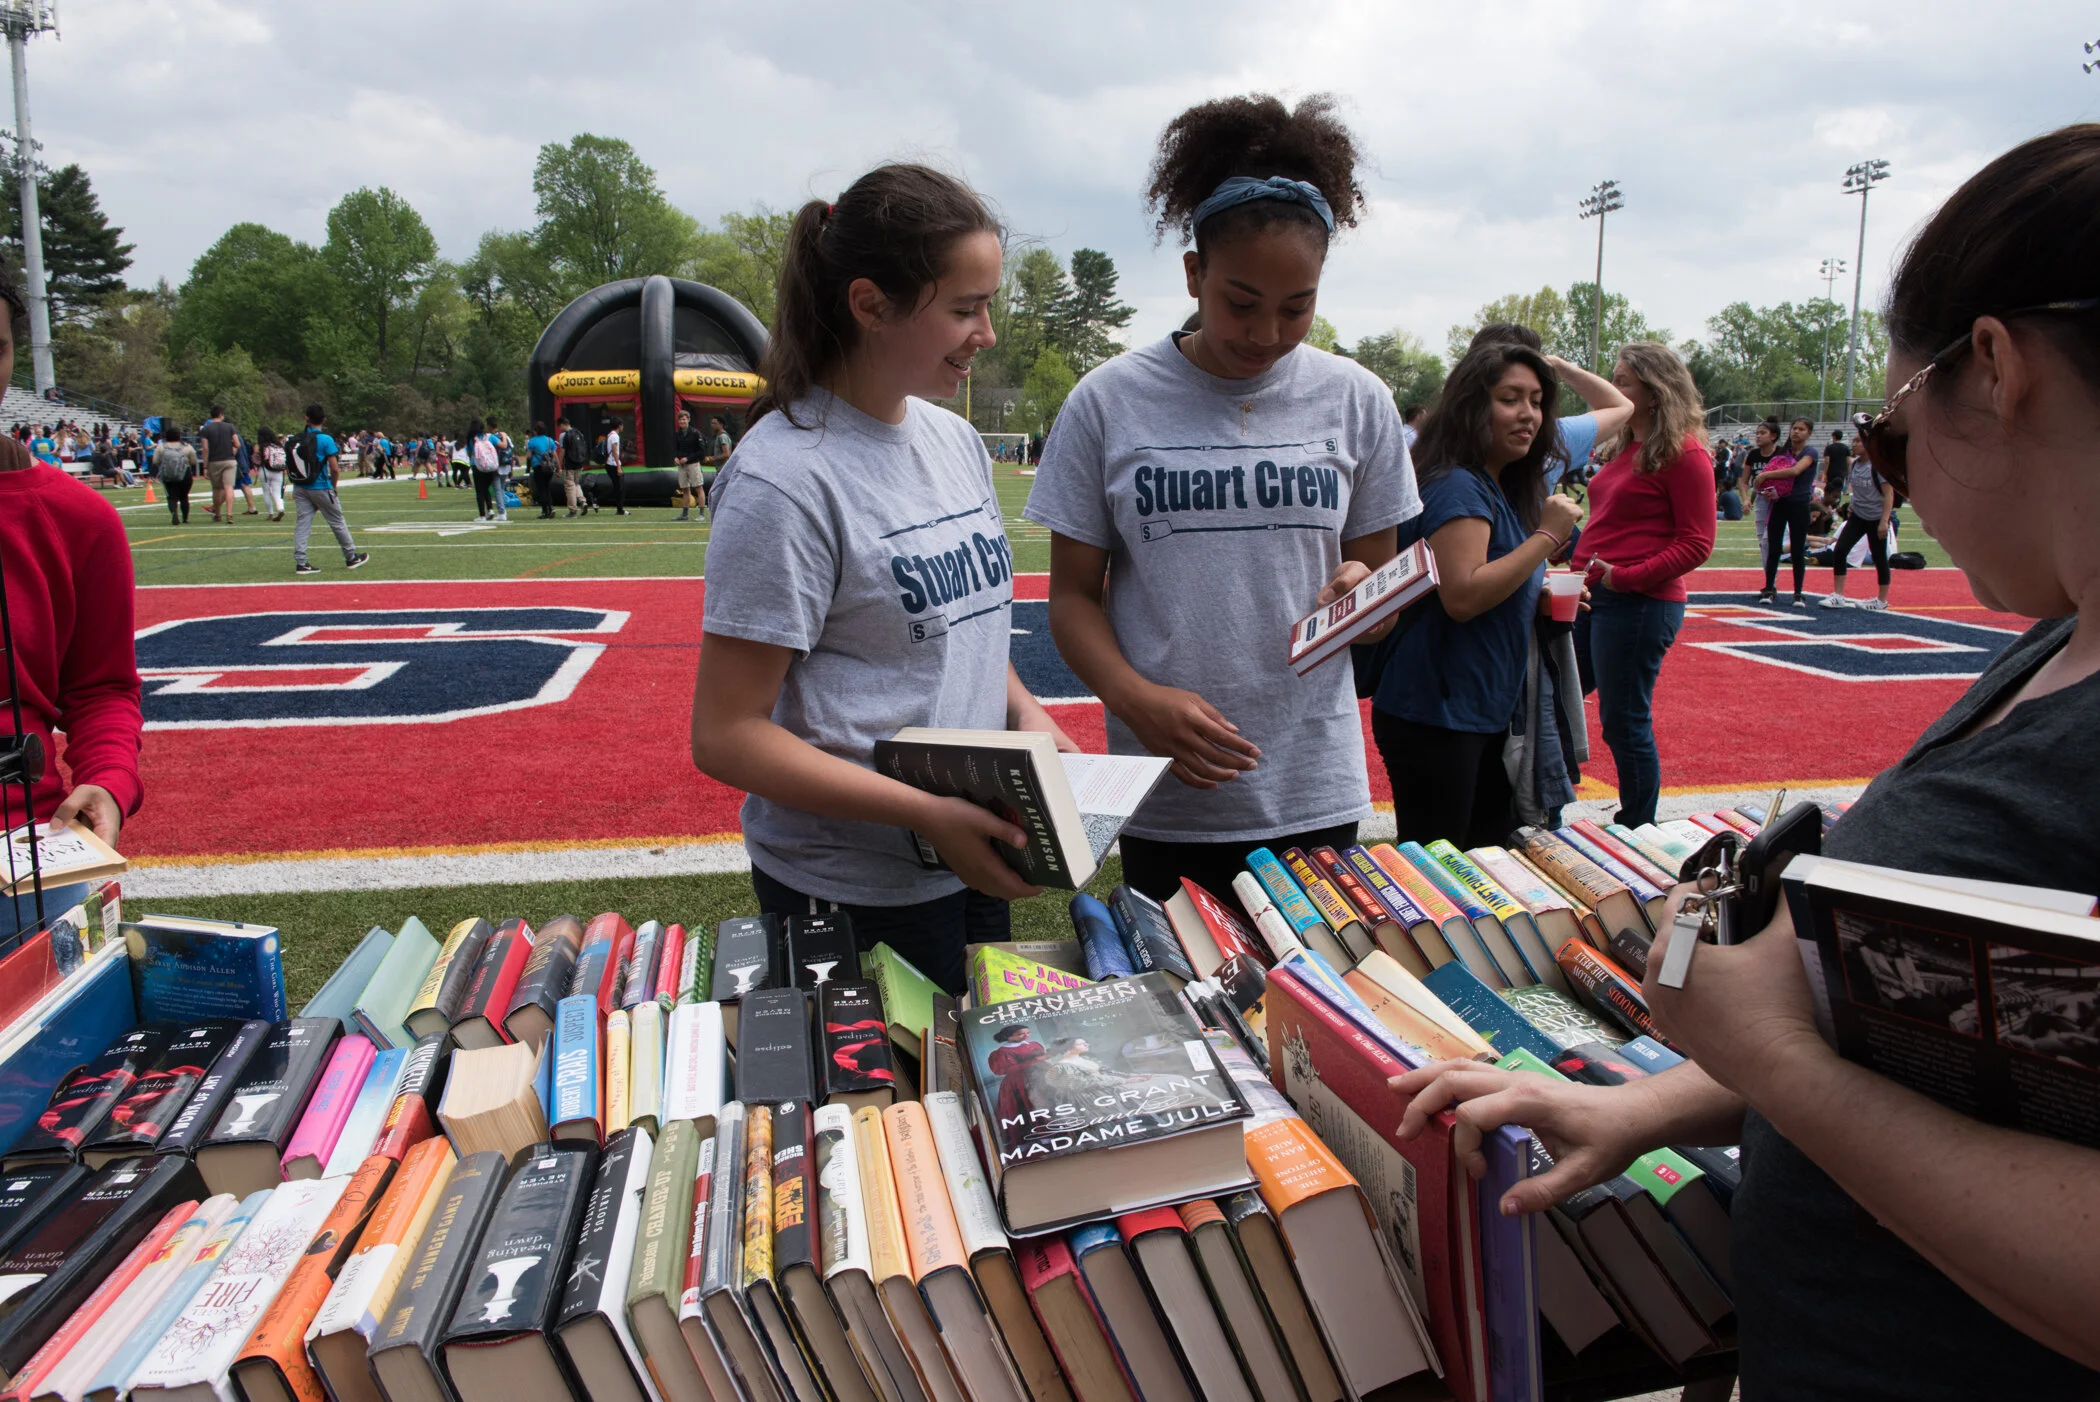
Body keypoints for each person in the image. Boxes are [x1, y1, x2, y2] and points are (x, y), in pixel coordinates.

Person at [1396, 125, 2100, 1399]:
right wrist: (1649, 1108)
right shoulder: (2054, 642)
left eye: (1887, 438)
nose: (1893, 483)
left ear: (1993, 369)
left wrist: (1767, 1058)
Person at [689, 163, 1075, 995]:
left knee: (973, 1087)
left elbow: (960, 627)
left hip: (965, 847)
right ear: (870, 304)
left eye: (988, 306)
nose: (988, 333)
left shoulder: (952, 438)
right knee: (891, 1120)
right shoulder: (785, 480)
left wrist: (1026, 712)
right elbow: (726, 734)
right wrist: (923, 813)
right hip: (850, 886)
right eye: (965, 309)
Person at [1025, 93, 1418, 905]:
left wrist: (1363, 596)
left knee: (1312, 1011)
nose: (1267, 333)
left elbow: (1376, 584)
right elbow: (1071, 599)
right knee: (1187, 1016)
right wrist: (1137, 701)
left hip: (1313, 782)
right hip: (1168, 789)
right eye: (1241, 302)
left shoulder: (1357, 399)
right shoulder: (1108, 401)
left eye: (1297, 307)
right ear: (1194, 273)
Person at [1371, 341, 1585, 847]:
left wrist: (1533, 593)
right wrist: (1547, 537)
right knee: (1443, 875)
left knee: (1483, 862)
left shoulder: (1492, 483)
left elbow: (1479, 580)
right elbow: (1462, 595)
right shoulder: (1458, 485)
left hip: (1472, 709)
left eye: (1536, 401)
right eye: (1510, 398)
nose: (1528, 414)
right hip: (1438, 714)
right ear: (1472, 406)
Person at [1571, 342, 1715, 829]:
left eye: (1625, 381)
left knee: (1624, 721)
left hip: (1638, 605)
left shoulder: (1685, 452)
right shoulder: (1626, 447)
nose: (1616, 389)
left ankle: (1638, 828)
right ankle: (1549, 799)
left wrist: (1626, 577)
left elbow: (1697, 542)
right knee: (1558, 699)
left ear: (1654, 392)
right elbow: (1612, 522)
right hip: (1595, 598)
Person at [289, 403, 369, 575]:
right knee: (337, 521)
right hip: (320, 485)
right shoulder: (325, 439)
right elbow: (334, 468)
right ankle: (351, 556)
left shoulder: (297, 438)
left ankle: (301, 561)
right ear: (324, 420)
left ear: (306, 419)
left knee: (303, 524)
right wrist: (333, 487)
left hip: (300, 486)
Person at [1822, 426, 1895, 610]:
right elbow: (1857, 488)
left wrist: (1884, 521)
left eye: (1858, 441)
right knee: (1840, 550)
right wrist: (1853, 504)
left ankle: (1881, 600)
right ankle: (1838, 595)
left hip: (1876, 518)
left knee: (1879, 557)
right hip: (1858, 516)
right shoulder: (1854, 464)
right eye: (1853, 441)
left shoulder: (1878, 466)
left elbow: (1889, 494)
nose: (1854, 445)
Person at [1755, 416, 1820, 605]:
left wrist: (1765, 475)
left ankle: (1798, 592)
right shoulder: (1784, 452)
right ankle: (1769, 589)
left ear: (1809, 433)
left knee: (1798, 549)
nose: (1796, 432)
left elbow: (1795, 471)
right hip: (1780, 503)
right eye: (1794, 428)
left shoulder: (1810, 452)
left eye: (1801, 429)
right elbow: (1775, 475)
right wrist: (1768, 489)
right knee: (1774, 548)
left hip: (1799, 505)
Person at [1740, 416, 1782, 552]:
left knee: (1774, 538)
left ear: (1773, 436)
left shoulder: (1781, 453)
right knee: (1762, 541)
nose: (1758, 436)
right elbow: (1744, 481)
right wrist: (1746, 499)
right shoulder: (1753, 455)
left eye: (1762, 433)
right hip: (1761, 498)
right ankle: (1769, 572)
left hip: (1779, 500)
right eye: (1757, 433)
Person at [197, 406, 241, 524]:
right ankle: (229, 514)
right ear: (221, 414)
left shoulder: (206, 429)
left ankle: (217, 514)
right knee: (229, 487)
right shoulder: (230, 427)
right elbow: (237, 444)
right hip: (229, 460)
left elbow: (205, 448)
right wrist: (231, 448)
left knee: (217, 488)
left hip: (214, 460)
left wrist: (205, 466)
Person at [153, 423, 198, 525]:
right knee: (184, 497)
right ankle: (185, 518)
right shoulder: (187, 447)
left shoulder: (161, 447)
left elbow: (155, 461)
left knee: (172, 497)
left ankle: (174, 514)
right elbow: (194, 461)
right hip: (184, 473)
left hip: (168, 474)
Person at [671, 407, 707, 521]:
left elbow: (701, 451)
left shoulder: (695, 433)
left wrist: (688, 458)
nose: (682, 421)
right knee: (685, 489)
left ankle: (701, 513)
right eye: (680, 420)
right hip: (682, 466)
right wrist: (676, 458)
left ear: (689, 420)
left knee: (698, 487)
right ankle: (684, 514)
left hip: (693, 464)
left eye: (684, 419)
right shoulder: (677, 434)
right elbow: (675, 449)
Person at [467, 419, 501, 521]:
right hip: (491, 466)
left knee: (479, 490)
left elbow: (470, 453)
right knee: (486, 488)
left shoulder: (472, 439)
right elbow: (502, 445)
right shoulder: (489, 437)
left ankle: (482, 515)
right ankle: (490, 510)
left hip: (477, 466)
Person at [555, 414, 588, 516]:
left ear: (563, 425)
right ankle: (582, 501)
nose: (559, 429)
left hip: (569, 464)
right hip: (579, 463)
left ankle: (573, 510)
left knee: (569, 486)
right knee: (576, 484)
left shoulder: (565, 435)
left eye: (559, 426)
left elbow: (562, 451)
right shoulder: (579, 433)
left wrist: (558, 465)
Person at [525, 420, 558, 518]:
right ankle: (551, 506)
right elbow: (555, 455)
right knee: (547, 487)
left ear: (535, 431)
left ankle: (545, 511)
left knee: (541, 488)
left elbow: (528, 456)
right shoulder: (549, 440)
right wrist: (558, 468)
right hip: (549, 468)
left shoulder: (532, 441)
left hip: (538, 467)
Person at [255, 427, 286, 521]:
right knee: (277, 492)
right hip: (278, 470)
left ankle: (270, 513)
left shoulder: (261, 446)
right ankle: (280, 508)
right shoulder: (279, 445)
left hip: (265, 470)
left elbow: (256, 458)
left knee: (267, 492)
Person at [602, 416, 628, 515]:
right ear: (619, 426)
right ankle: (620, 509)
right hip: (612, 464)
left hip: (611, 463)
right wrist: (618, 466)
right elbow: (615, 451)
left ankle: (620, 508)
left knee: (618, 487)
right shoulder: (614, 436)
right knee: (620, 487)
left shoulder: (610, 435)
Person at [1822, 424, 1850, 499]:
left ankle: (1827, 503)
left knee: (1829, 488)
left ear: (1833, 437)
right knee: (1838, 489)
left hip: (1831, 472)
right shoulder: (1846, 448)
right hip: (1842, 472)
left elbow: (1827, 461)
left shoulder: (1829, 448)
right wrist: (1847, 472)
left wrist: (1825, 473)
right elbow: (1848, 462)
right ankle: (1837, 503)